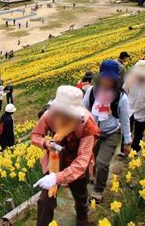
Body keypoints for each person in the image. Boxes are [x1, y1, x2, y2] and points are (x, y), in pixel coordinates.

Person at [32, 85, 100, 226]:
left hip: (76, 161)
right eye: (59, 112)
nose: (61, 117)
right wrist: (46, 143)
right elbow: (35, 136)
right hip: (55, 160)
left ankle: (82, 216)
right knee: (45, 200)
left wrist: (57, 178)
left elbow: (82, 162)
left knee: (80, 195)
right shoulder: (49, 115)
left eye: (66, 113)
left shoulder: (87, 124)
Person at [82, 60, 131, 203]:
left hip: (111, 133)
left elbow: (125, 120)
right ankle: (92, 178)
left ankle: (98, 189)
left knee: (102, 163)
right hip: (93, 133)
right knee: (91, 160)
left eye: (111, 79)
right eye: (105, 77)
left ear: (116, 79)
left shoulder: (121, 98)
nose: (107, 81)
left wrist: (127, 142)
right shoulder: (92, 92)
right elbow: (83, 110)